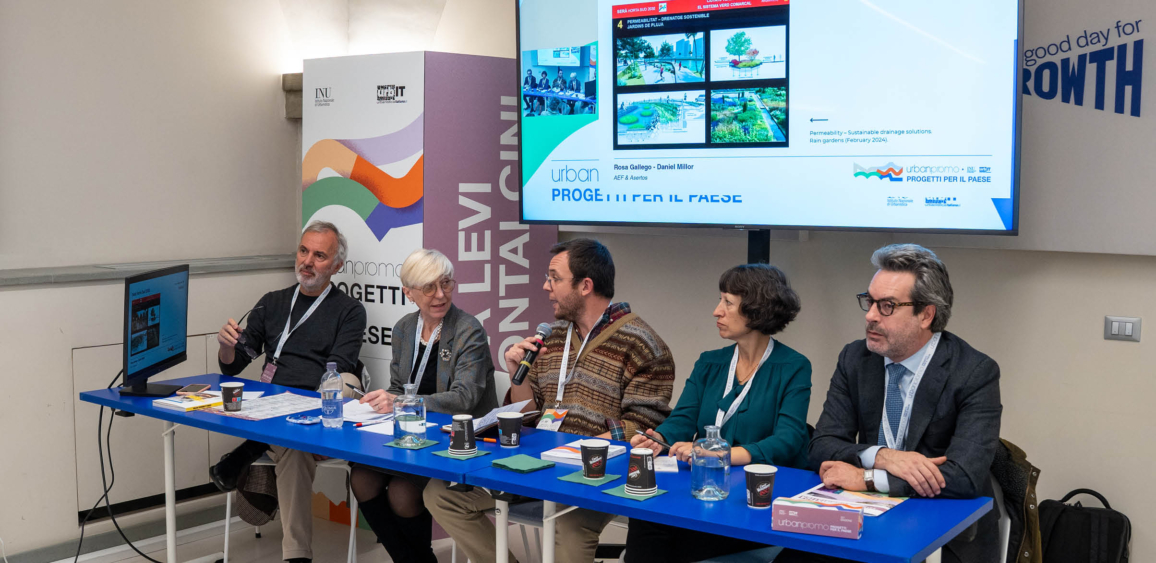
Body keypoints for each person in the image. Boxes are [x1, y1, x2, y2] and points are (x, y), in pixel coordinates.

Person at [424, 238, 676, 563]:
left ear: (585, 286)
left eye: (554, 278)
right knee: (441, 494)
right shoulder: (552, 337)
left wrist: (576, 450)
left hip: (596, 473)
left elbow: (644, 428)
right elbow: (531, 414)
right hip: (538, 463)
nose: (546, 286)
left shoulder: (643, 344)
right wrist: (518, 375)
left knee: (570, 526)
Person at [777, 244, 1002, 563]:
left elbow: (964, 476)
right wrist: (883, 457)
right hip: (862, 519)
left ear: (926, 315)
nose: (870, 315)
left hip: (942, 528)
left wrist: (867, 478)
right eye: (869, 301)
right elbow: (822, 445)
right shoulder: (855, 358)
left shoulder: (973, 372)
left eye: (887, 306)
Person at [625, 264, 811, 563]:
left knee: (677, 540)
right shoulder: (709, 363)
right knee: (646, 518)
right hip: (704, 486)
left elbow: (788, 440)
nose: (716, 311)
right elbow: (683, 419)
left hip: (754, 497)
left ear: (756, 310)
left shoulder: (793, 366)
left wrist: (720, 454)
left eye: (728, 302)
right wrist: (658, 438)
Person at [209, 220, 367, 563]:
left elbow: (338, 369)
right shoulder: (272, 303)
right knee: (294, 446)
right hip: (270, 408)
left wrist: (305, 413)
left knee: (300, 436)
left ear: (337, 265)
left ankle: (247, 452)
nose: (307, 261)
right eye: (303, 251)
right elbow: (234, 365)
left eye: (319, 256)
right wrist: (226, 346)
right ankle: (298, 556)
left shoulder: (349, 311)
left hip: (315, 406)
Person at [351, 248, 499, 563]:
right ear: (409, 293)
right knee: (362, 478)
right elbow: (398, 386)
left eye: (446, 283)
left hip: (457, 438)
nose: (440, 294)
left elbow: (464, 398)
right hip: (413, 435)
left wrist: (404, 401)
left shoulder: (468, 330)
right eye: (429, 287)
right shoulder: (405, 329)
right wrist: (384, 400)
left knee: (402, 492)